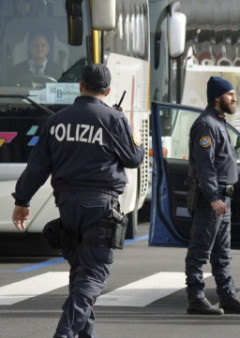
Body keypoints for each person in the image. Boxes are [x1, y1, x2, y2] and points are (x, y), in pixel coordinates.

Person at [11, 63, 145, 338]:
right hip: (100, 205)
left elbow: (37, 166)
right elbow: (134, 158)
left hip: (67, 206)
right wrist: (131, 131)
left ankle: (85, 335)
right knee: (94, 274)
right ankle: (65, 333)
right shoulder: (114, 120)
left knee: (80, 273)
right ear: (107, 91)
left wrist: (22, 201)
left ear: (80, 86)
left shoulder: (56, 120)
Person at [185, 76, 240, 315]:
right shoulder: (207, 125)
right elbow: (205, 166)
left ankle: (227, 295)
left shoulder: (218, 122)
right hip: (210, 199)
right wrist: (214, 197)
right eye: (230, 94)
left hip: (223, 197)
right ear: (217, 97)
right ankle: (195, 296)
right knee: (200, 250)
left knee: (222, 253)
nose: (234, 98)